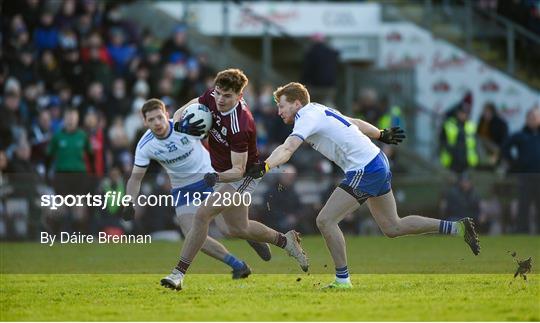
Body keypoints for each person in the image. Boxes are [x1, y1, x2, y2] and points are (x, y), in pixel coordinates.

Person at [247, 82, 480, 289]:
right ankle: (458, 228)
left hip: (365, 168)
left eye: (282, 105)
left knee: (325, 220)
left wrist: (265, 166)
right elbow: (355, 122)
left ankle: (342, 280)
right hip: (376, 161)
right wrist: (380, 134)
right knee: (393, 227)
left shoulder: (305, 117)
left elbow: (288, 148)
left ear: (297, 103)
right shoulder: (318, 109)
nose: (278, 111)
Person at [161, 69, 309, 291]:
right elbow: (196, 101)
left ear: (239, 97)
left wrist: (215, 177)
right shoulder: (213, 96)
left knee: (202, 215)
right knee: (234, 229)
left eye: (227, 96)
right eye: (219, 93)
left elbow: (238, 170)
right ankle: (285, 241)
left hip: (242, 176)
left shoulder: (241, 123)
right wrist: (179, 117)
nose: (220, 99)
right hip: (221, 171)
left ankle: (178, 274)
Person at [123, 98, 257, 280]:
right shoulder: (145, 145)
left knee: (228, 230)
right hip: (182, 189)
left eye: (159, 117)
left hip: (209, 179)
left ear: (167, 115)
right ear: (145, 122)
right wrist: (129, 201)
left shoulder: (185, 125)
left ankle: (249, 233)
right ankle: (238, 266)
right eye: (151, 120)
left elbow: (217, 135)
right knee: (193, 237)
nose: (157, 123)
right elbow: (136, 177)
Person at [501, 107, 540, 234]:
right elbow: (505, 148)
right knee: (524, 206)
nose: (533, 120)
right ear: (526, 119)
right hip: (525, 176)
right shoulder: (520, 135)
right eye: (531, 117)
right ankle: (522, 232)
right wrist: (514, 164)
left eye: (535, 117)